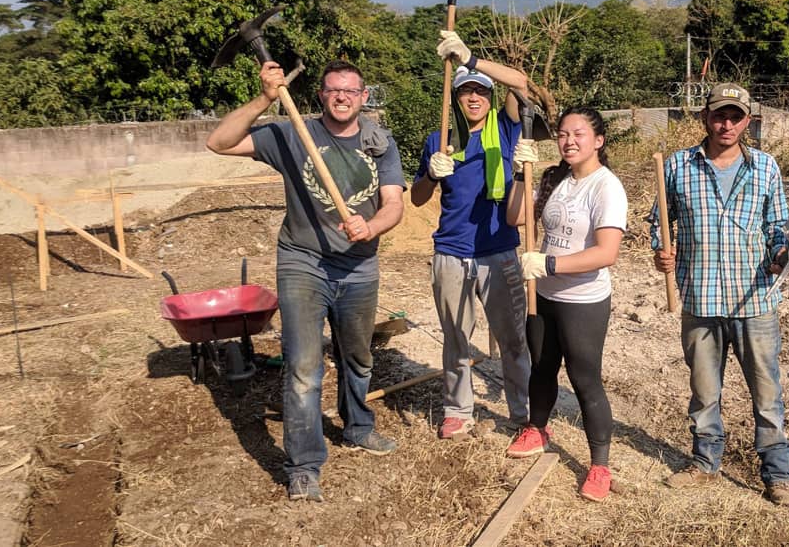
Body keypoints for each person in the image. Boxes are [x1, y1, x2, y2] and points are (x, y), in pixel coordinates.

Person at [206, 58, 405, 503]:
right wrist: (265, 98)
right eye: (334, 90)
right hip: (303, 262)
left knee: (357, 358)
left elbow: (394, 203)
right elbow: (218, 142)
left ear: (363, 96)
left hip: (359, 264)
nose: (342, 97)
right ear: (320, 95)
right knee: (302, 367)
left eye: (351, 91)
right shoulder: (291, 134)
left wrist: (371, 228)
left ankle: (357, 427)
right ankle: (304, 465)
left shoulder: (379, 141)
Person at [651, 82, 789, 508]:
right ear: (705, 117)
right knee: (703, 391)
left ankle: (777, 474)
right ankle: (704, 462)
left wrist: (779, 255)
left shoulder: (766, 167)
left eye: (736, 116)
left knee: (767, 392)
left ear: (748, 121)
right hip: (699, 298)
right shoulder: (678, 167)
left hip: (754, 302)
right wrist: (661, 251)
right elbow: (659, 223)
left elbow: (776, 229)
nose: (727, 124)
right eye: (719, 115)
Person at [410, 30, 531, 441]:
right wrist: (431, 172)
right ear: (455, 99)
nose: (474, 97)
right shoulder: (439, 138)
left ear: (489, 97)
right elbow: (417, 198)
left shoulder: (507, 127)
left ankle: (523, 411)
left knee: (513, 340)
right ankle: (458, 410)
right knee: (456, 339)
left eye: (480, 91)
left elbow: (521, 82)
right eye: (466, 92)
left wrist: (471, 59)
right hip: (451, 252)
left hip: (499, 252)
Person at [504, 106, 628, 503]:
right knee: (541, 366)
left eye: (578, 134)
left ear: (598, 140)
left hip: (582, 300)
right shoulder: (553, 178)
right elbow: (513, 217)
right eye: (562, 134)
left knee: (584, 378)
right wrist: (518, 175)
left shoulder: (606, 187)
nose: (569, 141)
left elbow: (606, 253)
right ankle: (537, 429)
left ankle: (599, 465)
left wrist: (550, 263)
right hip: (543, 293)